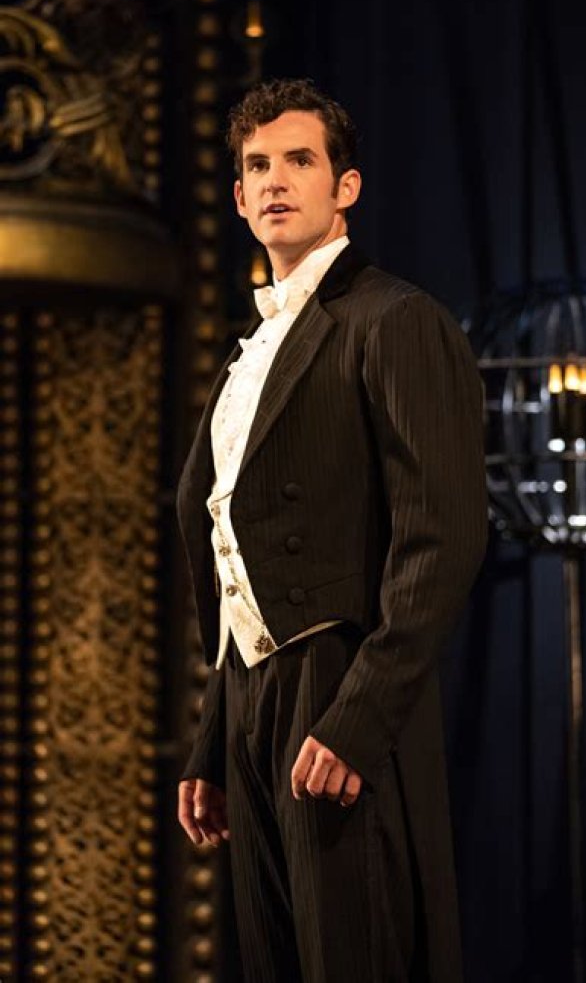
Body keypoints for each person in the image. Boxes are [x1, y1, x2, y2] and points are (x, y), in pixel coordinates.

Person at [176, 77, 487, 983]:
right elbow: (235, 561)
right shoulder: (250, 352)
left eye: (299, 160)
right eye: (257, 166)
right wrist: (216, 735)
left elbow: (443, 537)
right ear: (239, 199)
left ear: (344, 186)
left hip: (341, 684)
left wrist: (358, 720)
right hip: (252, 699)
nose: (275, 181)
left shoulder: (396, 319)